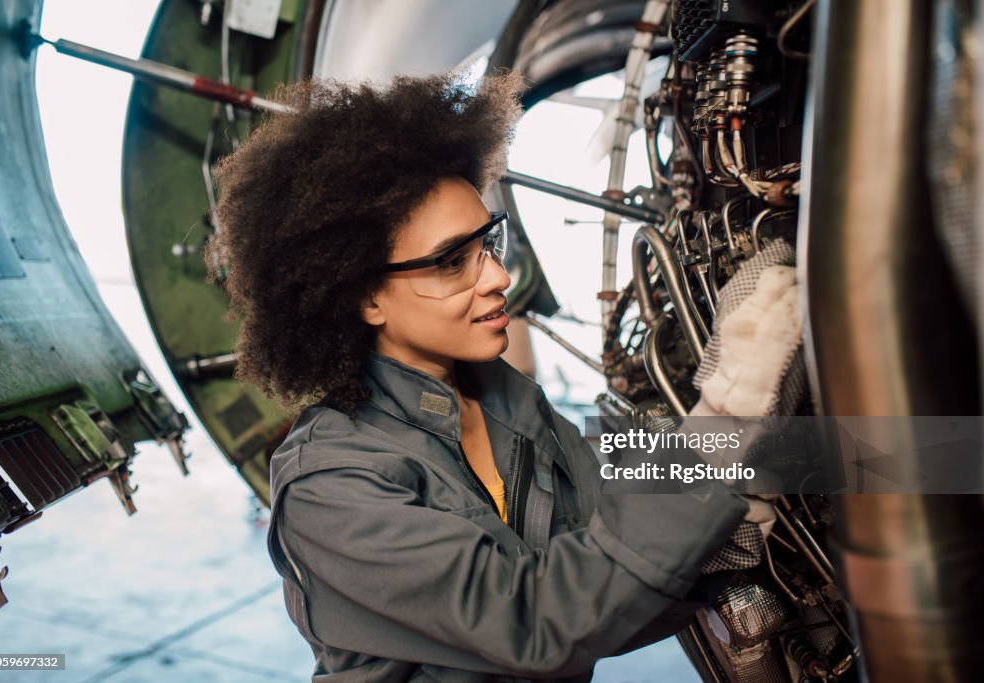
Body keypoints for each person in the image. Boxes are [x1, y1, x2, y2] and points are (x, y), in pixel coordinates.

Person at [206, 72, 760, 682]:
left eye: (488, 244)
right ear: (363, 297)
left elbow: (612, 548)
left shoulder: (507, 400)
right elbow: (534, 620)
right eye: (451, 263)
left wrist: (828, 452)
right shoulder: (329, 487)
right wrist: (728, 419)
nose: (496, 277)